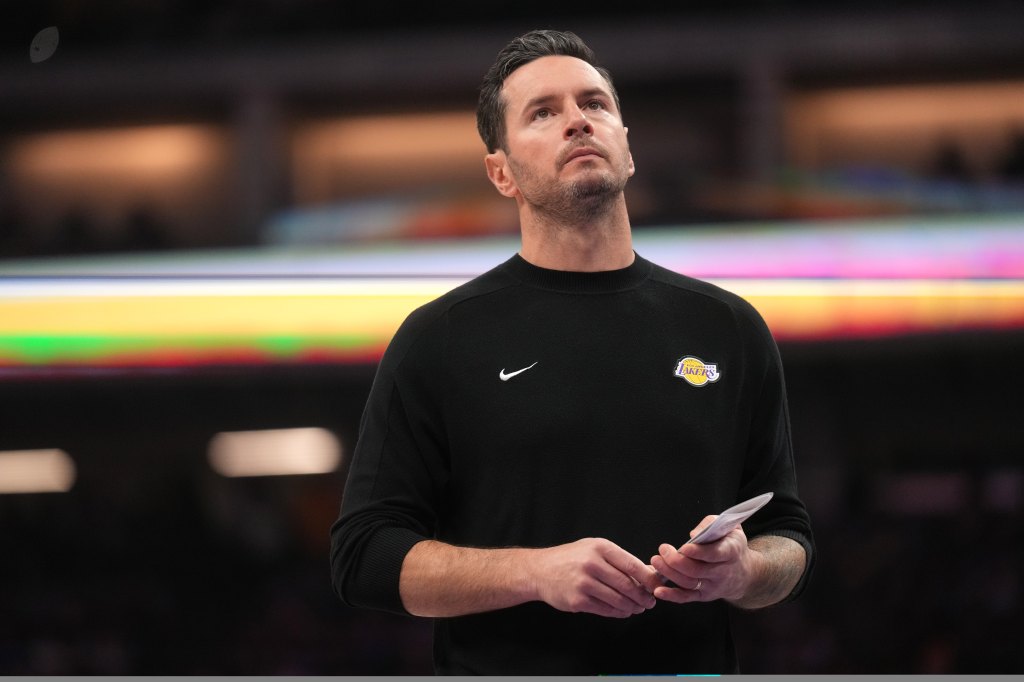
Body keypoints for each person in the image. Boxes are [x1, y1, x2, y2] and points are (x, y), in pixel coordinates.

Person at [330, 28, 815, 675]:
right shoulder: (441, 338)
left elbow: (788, 535)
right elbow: (363, 556)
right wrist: (535, 572)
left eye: (595, 104)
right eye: (543, 112)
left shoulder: (729, 327)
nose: (578, 122)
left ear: (627, 145)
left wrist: (744, 569)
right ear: (501, 172)